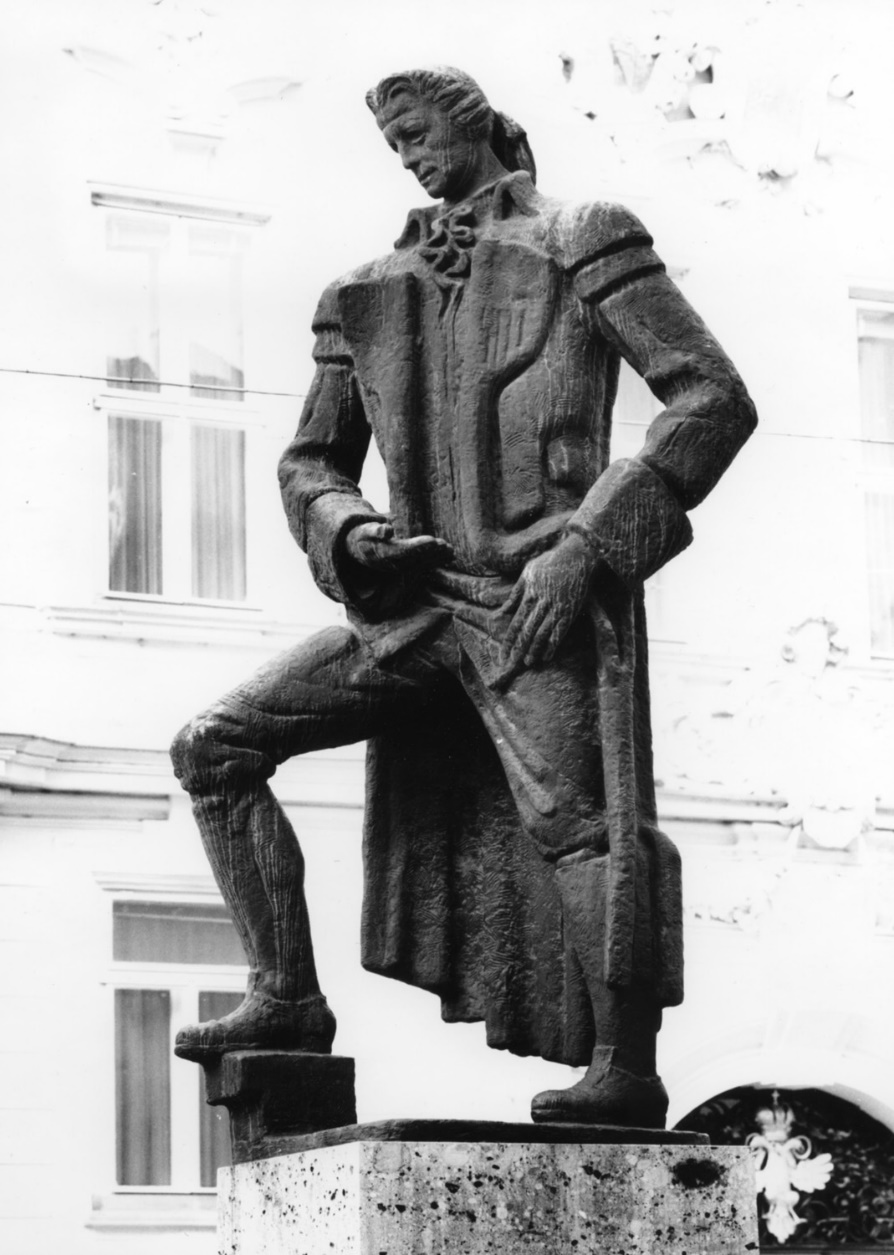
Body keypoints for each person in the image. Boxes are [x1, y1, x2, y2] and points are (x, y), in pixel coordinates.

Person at [171, 66, 756, 1128]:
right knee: (213, 746)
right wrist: (354, 531)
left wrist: (586, 552)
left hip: (536, 597)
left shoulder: (582, 237)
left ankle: (625, 1067)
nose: (410, 155)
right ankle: (288, 998)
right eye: (393, 144)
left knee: (584, 829)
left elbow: (710, 399)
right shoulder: (363, 291)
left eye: (418, 133)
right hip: (413, 604)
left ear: (472, 120)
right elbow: (311, 462)